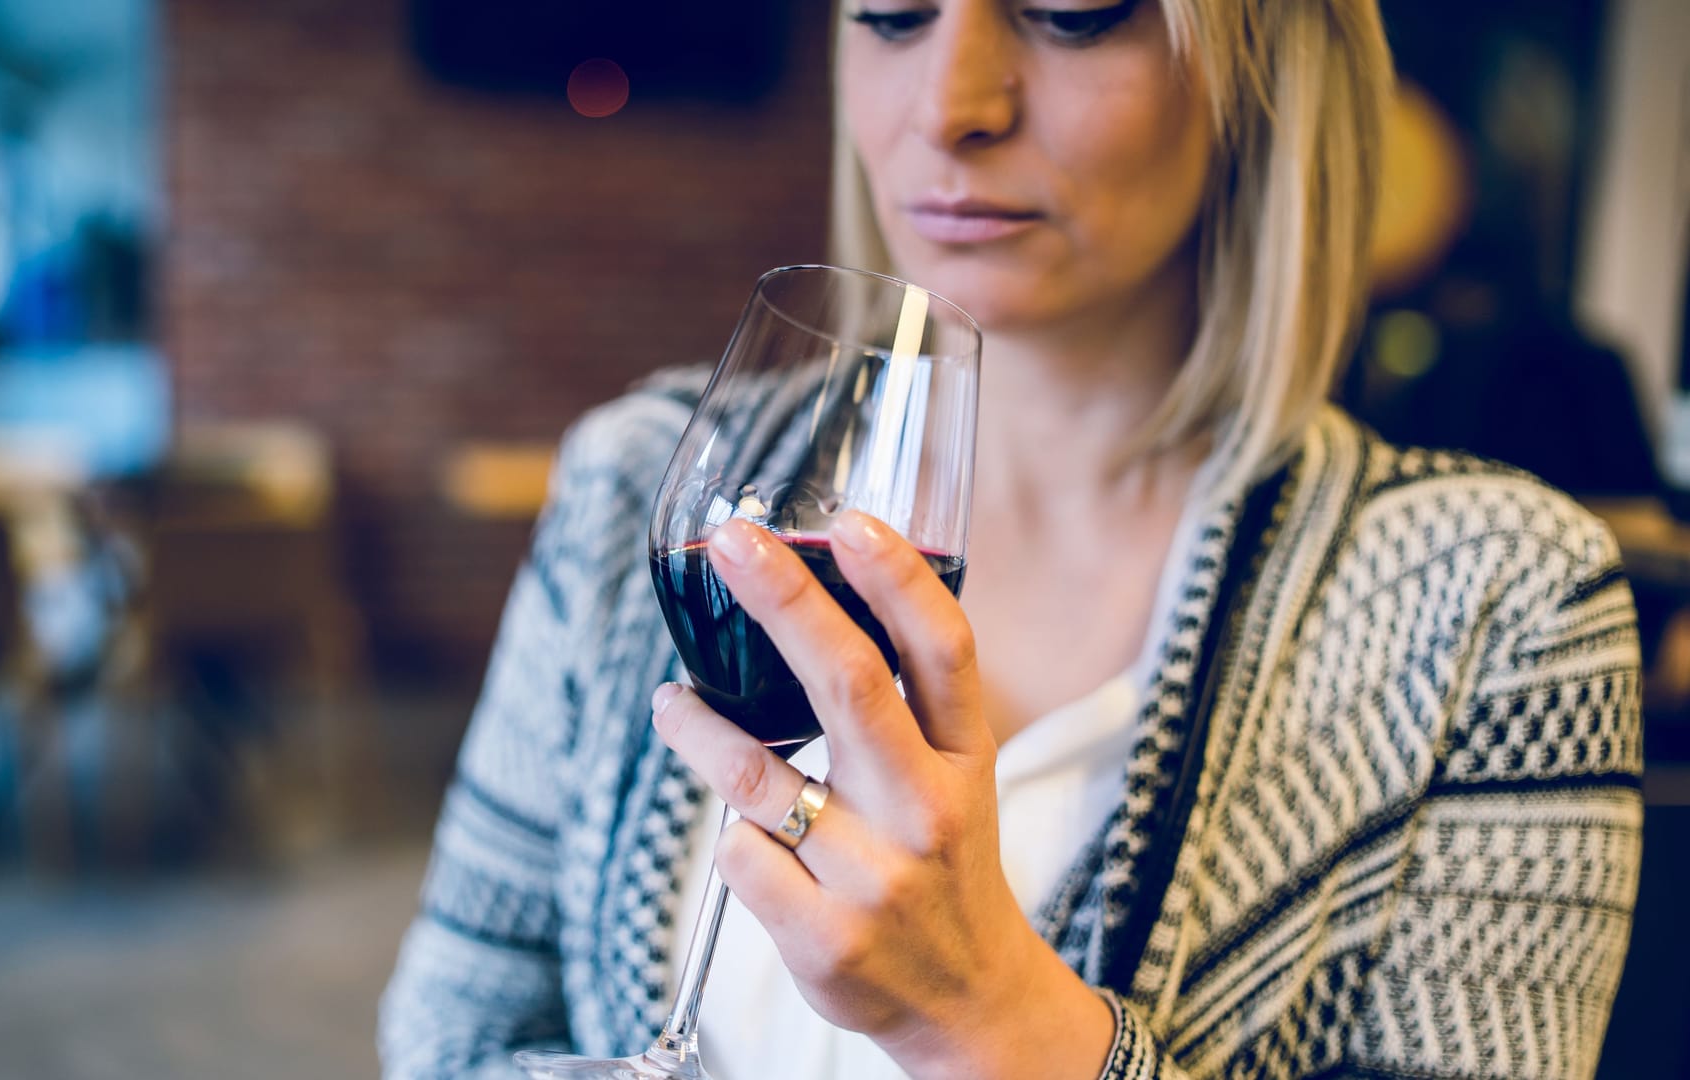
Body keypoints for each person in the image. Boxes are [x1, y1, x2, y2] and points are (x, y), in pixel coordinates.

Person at [380, 1, 1643, 1077]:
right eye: (889, 13)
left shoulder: (1500, 602)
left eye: (1070, 9)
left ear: (1263, 61)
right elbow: (448, 1039)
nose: (953, 104)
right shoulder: (639, 480)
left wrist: (988, 1018)